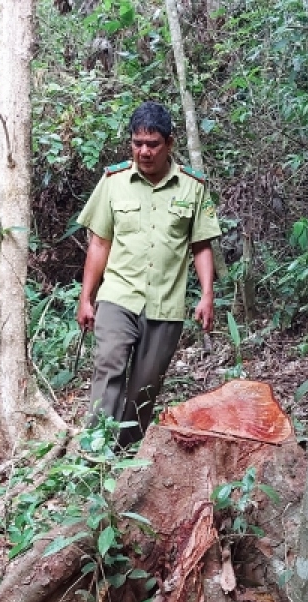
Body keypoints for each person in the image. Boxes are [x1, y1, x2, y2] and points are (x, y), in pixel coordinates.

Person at [76, 101, 222, 448]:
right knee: (108, 368)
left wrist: (206, 295)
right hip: (118, 296)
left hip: (165, 304)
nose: (144, 151)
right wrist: (86, 297)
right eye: (137, 143)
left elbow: (201, 245)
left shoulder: (193, 186)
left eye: (152, 144)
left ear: (169, 143)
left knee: (145, 385)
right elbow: (99, 243)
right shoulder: (114, 182)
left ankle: (126, 453)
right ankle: (94, 452)